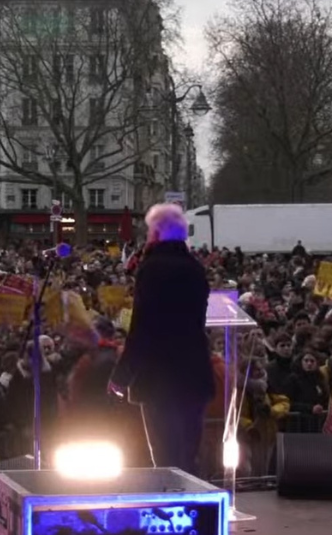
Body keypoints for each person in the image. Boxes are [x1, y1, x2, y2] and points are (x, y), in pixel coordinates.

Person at [108, 203, 213, 474]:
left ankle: (169, 507)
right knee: (189, 453)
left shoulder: (151, 269)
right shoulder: (195, 269)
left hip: (159, 376)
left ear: (155, 232)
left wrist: (121, 376)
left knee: (165, 458)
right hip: (194, 371)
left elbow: (143, 328)